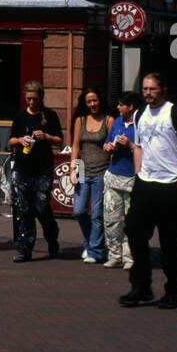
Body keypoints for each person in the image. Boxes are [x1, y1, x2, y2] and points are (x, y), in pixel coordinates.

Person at [120, 73, 177, 309]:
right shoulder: (139, 113)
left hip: (169, 185)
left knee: (170, 241)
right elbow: (138, 145)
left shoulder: (176, 113)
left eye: (152, 89)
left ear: (163, 90)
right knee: (133, 232)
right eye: (144, 89)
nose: (147, 93)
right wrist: (138, 171)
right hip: (145, 183)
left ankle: (173, 290)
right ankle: (141, 286)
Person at [7, 80, 63, 263]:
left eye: (35, 99)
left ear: (41, 98)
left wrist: (46, 137)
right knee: (24, 210)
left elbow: (59, 141)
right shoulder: (20, 116)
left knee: (41, 207)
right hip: (23, 168)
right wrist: (20, 140)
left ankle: (52, 238)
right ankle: (25, 249)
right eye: (29, 99)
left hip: (42, 169)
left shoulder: (49, 115)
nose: (32, 102)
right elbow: (11, 140)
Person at [69, 89, 108, 264]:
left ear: (100, 101)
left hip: (101, 171)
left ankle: (96, 252)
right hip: (83, 170)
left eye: (95, 100)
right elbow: (76, 146)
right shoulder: (80, 120)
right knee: (78, 210)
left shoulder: (109, 120)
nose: (93, 104)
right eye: (89, 102)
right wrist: (72, 169)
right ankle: (90, 244)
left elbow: (112, 146)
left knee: (97, 215)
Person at [102, 90, 138, 268]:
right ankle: (114, 254)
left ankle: (130, 257)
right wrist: (108, 146)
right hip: (114, 174)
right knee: (112, 219)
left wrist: (130, 145)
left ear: (130, 107)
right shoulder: (117, 122)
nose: (118, 107)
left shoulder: (141, 124)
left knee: (130, 220)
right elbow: (107, 142)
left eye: (121, 104)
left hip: (132, 177)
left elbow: (145, 150)